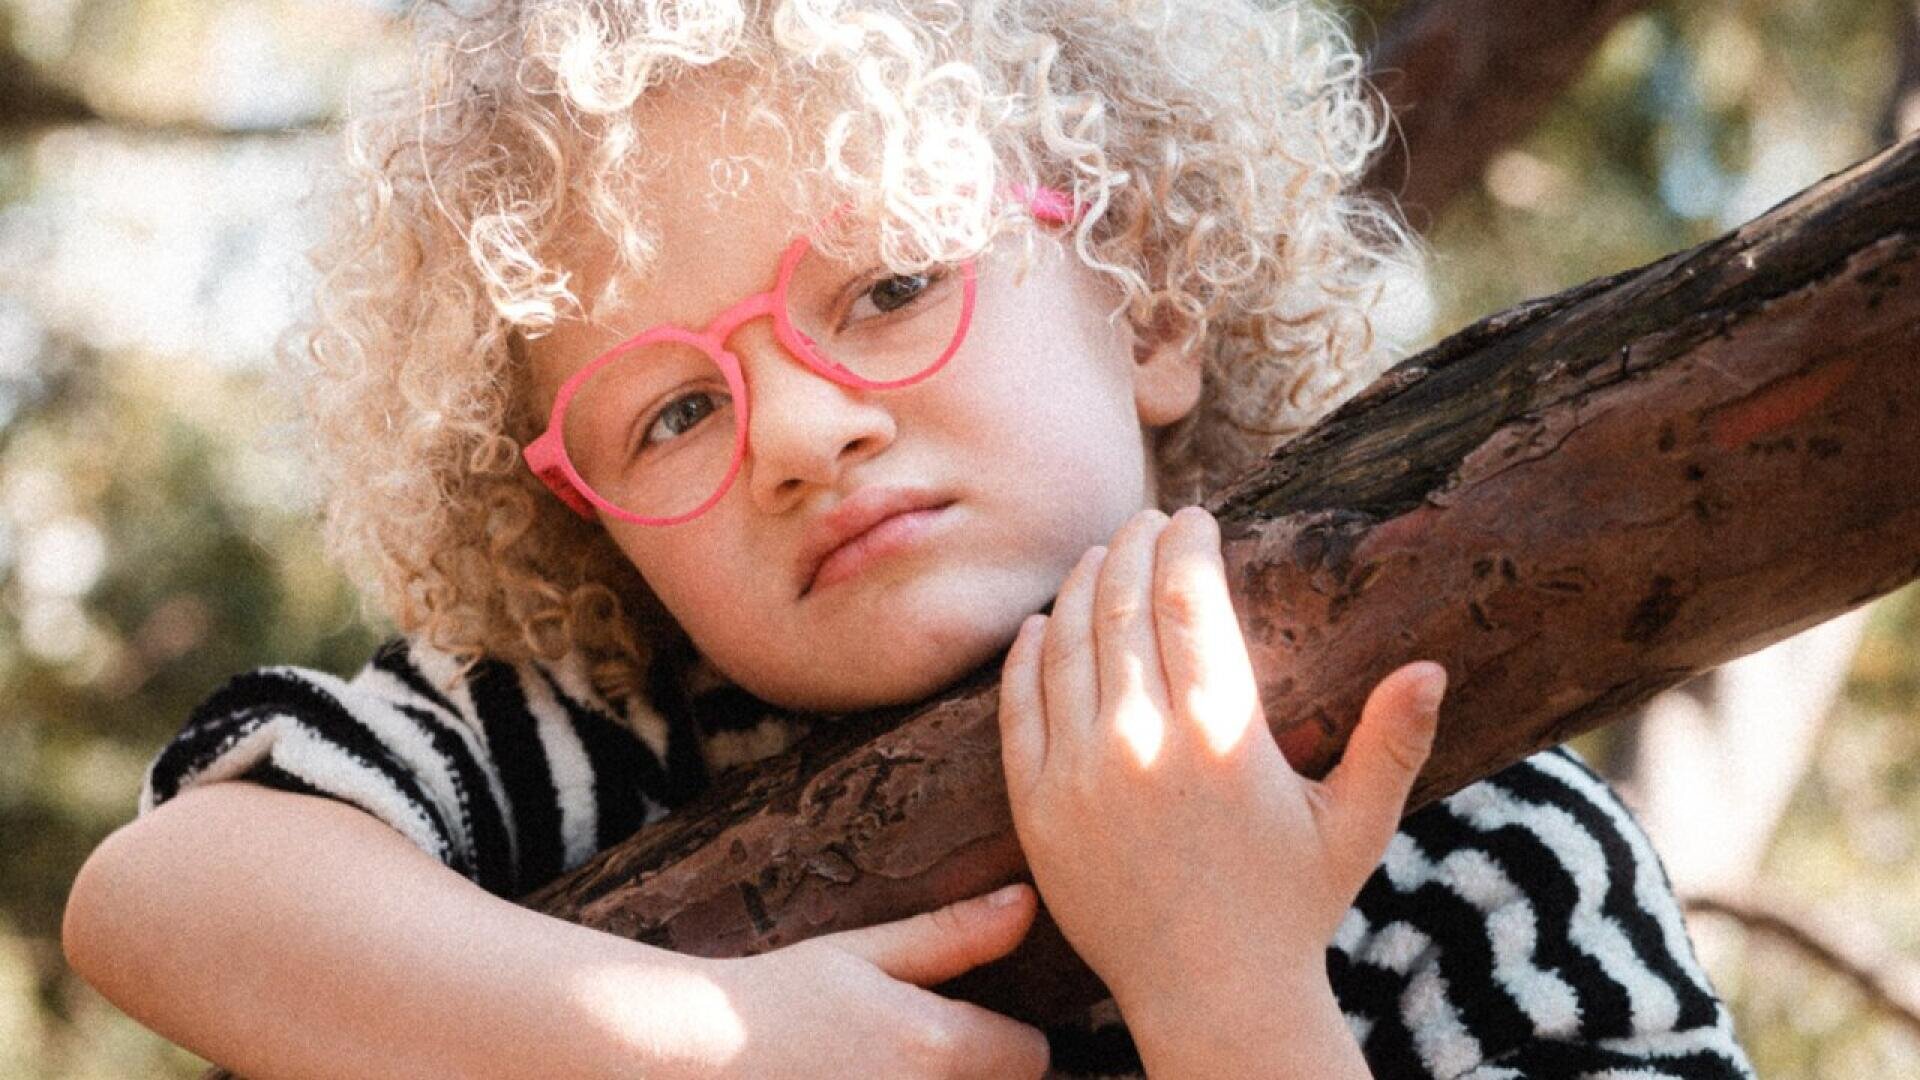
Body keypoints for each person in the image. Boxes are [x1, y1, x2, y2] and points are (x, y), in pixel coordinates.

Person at [62, 0, 1755, 1076]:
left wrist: (1231, 993)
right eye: (675, 412)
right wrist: (698, 1046)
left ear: (1150, 300)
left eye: (889, 287)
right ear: (589, 532)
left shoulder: (1468, 827)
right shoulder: (609, 738)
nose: (799, 432)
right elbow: (164, 897)